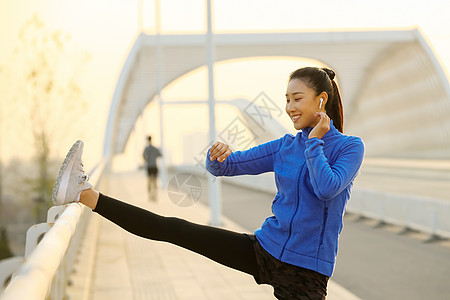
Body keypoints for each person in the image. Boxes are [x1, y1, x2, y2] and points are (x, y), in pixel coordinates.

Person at [52, 67, 364, 300]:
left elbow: (327, 187)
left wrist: (315, 143)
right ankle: (84, 193)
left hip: (305, 271)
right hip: (264, 248)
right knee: (174, 228)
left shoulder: (349, 147)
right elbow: (227, 167)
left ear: (321, 100)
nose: (289, 107)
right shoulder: (285, 145)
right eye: (286, 99)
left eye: (297, 98)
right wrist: (218, 157)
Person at [142, 135, 161, 201]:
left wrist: (147, 158)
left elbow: (144, 157)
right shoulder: (155, 148)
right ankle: (155, 195)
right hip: (154, 166)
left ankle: (150, 195)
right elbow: (160, 155)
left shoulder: (146, 149)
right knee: (155, 181)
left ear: (147, 140)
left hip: (149, 167)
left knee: (149, 181)